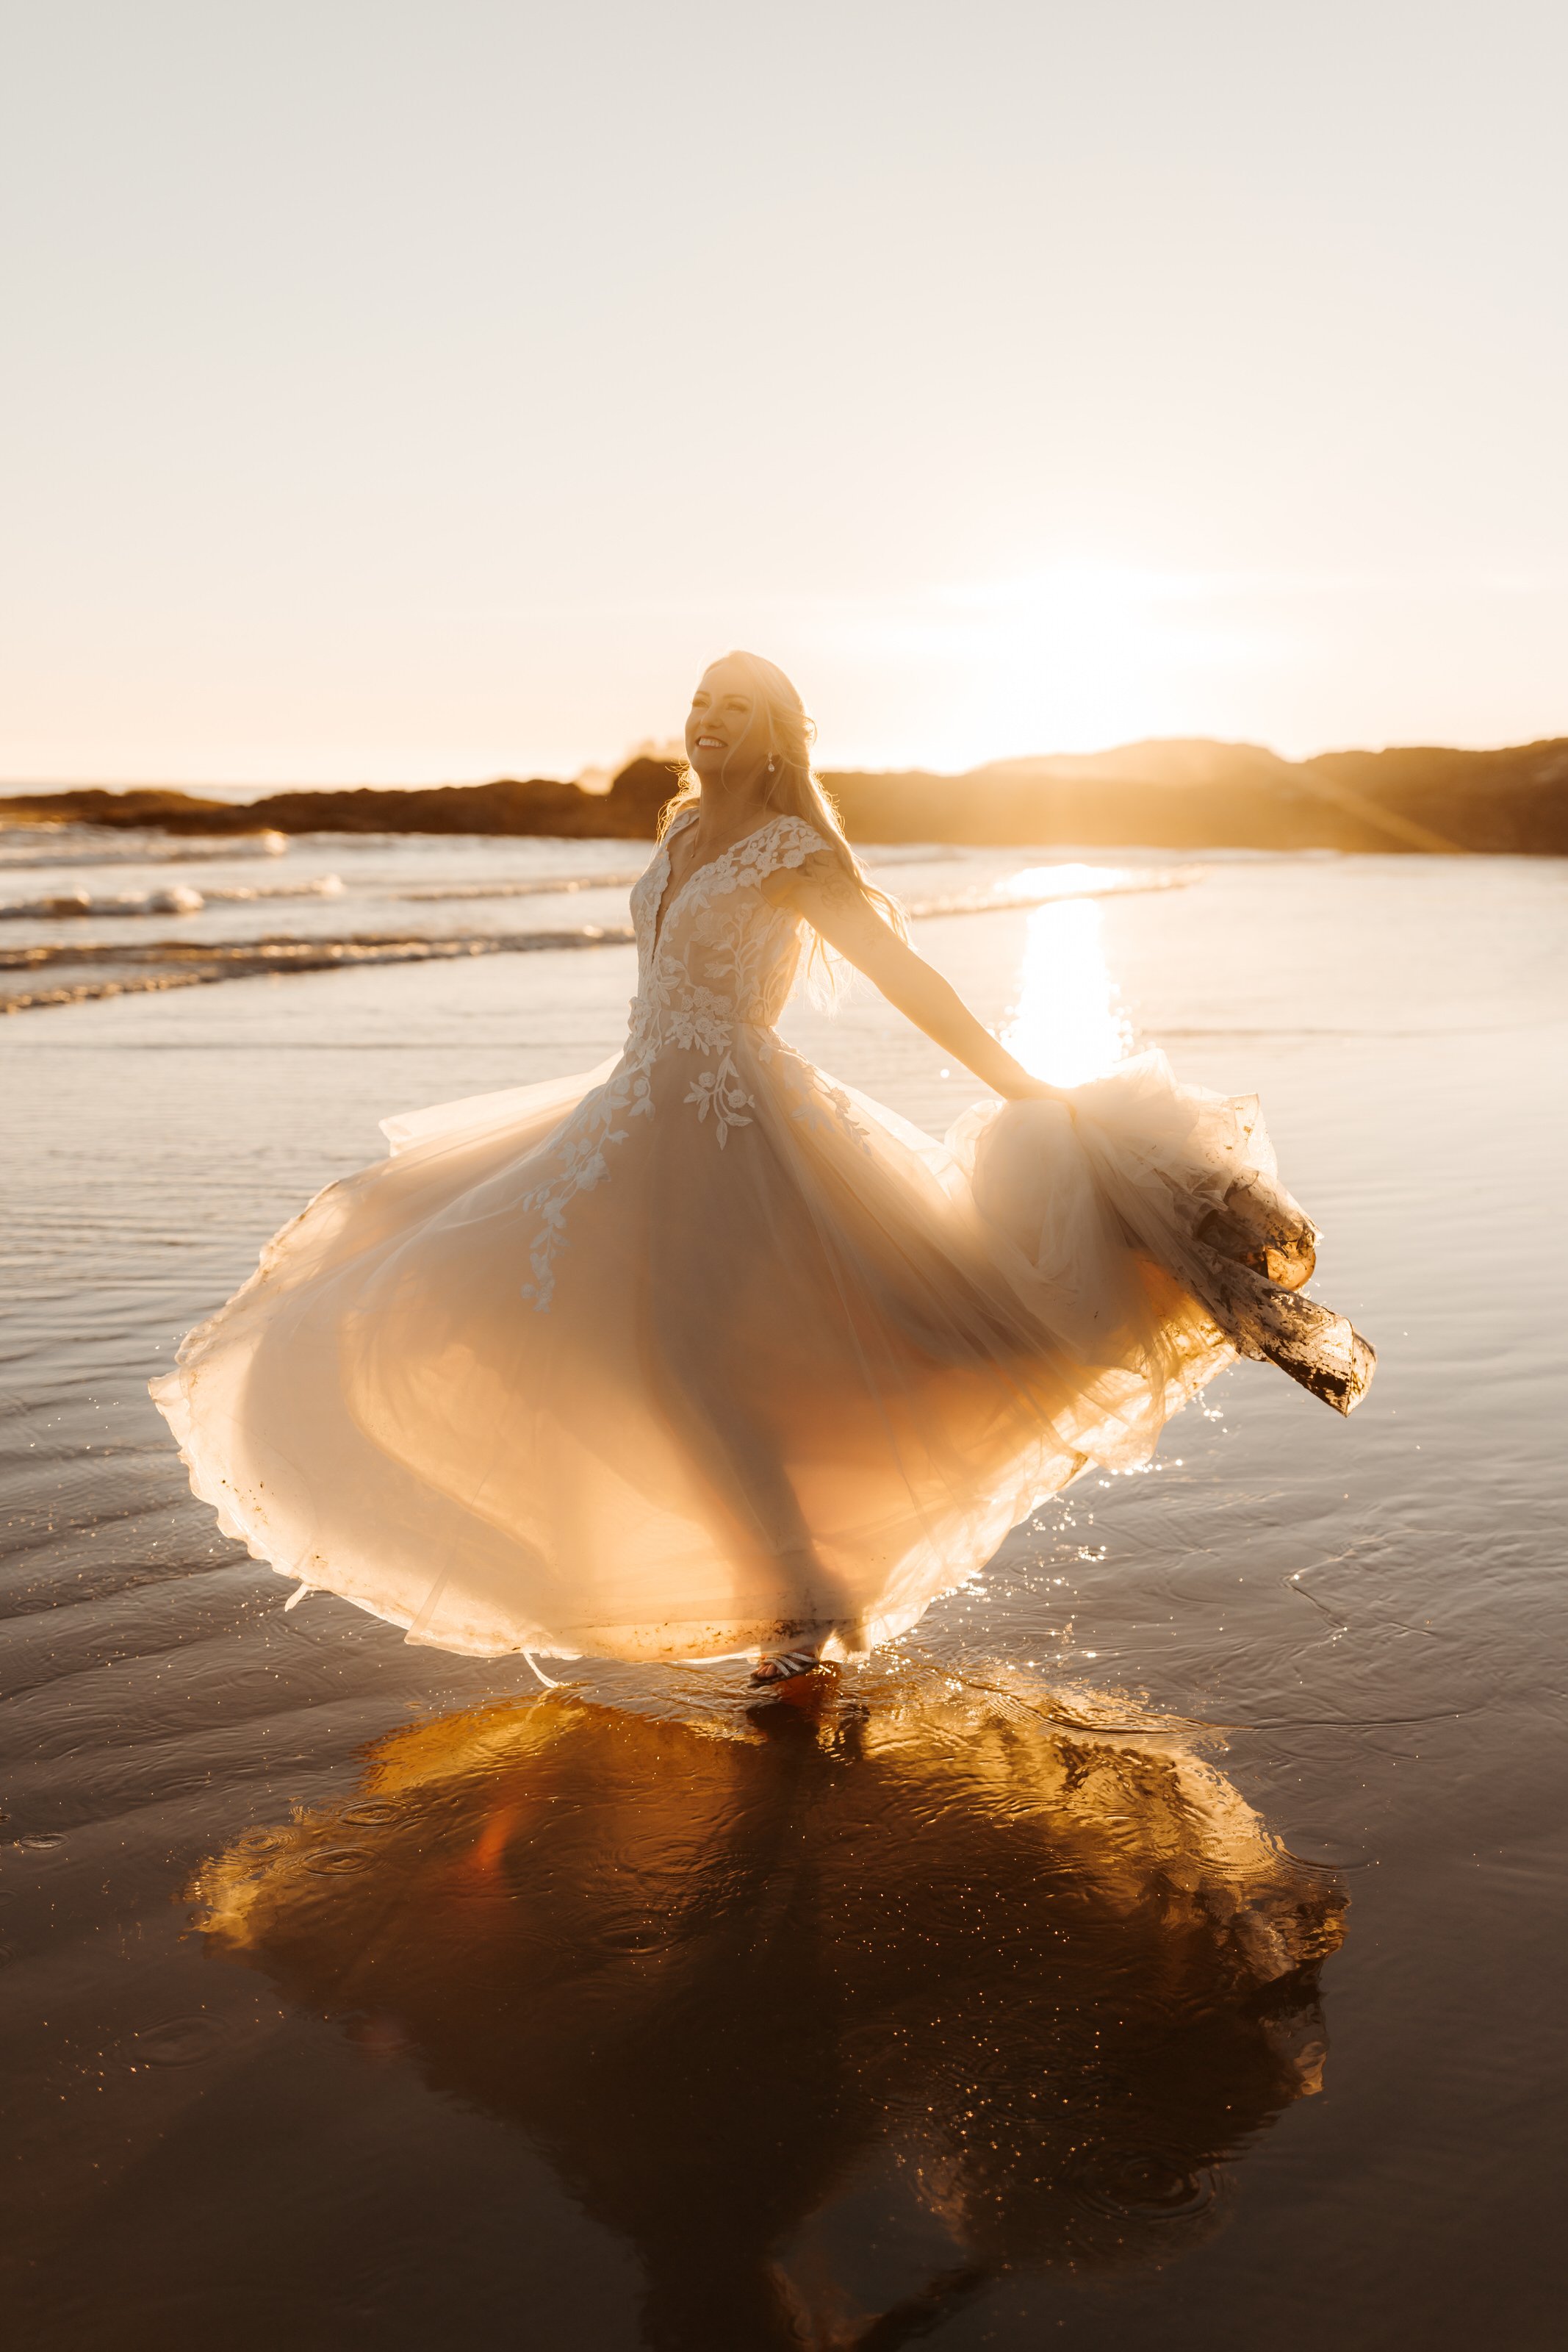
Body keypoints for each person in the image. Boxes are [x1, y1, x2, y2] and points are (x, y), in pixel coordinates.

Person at [153, 651, 1372, 1686]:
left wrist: (1032, 1094)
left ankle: (804, 1592)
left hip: (739, 1128)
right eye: (700, 702)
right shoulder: (682, 828)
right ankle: (779, 1581)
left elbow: (910, 983)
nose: (709, 721)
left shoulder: (793, 849)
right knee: (430, 1245)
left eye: (737, 709)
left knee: (730, 1352)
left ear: (779, 735)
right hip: (631, 1109)